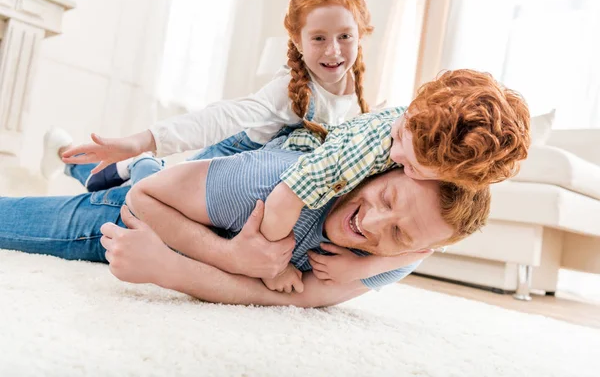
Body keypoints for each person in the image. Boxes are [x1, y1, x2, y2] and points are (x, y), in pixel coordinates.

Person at [0, 146, 491, 306]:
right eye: (385, 198)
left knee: (146, 175)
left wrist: (172, 271)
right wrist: (179, 262)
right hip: (150, 215)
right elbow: (142, 204)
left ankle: (73, 154)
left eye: (403, 236)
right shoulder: (273, 184)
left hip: (190, 195)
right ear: (383, 170)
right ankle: (118, 164)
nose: (374, 224)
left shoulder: (397, 259)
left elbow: (287, 299)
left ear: (422, 251)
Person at [42, 0, 375, 189]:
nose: (333, 50)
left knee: (125, 192)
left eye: (345, 36)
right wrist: (141, 141)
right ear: (297, 41)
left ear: (361, 35)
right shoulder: (287, 90)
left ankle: (90, 163)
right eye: (319, 38)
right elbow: (221, 118)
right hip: (219, 173)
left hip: (260, 192)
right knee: (128, 200)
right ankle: (72, 155)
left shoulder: (358, 98)